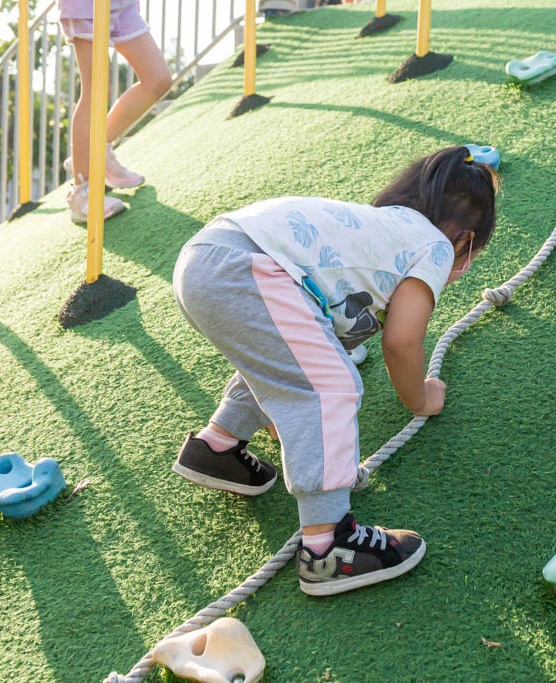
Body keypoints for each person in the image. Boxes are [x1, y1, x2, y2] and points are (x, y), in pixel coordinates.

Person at [171, 146, 498, 596]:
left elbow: (294, 358)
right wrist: (421, 398)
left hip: (207, 256)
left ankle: (218, 446)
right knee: (329, 386)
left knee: (291, 365)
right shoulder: (435, 245)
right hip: (245, 266)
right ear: (466, 240)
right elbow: (402, 340)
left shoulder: (379, 229)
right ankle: (328, 548)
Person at [58, 0, 173, 223]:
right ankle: (82, 192)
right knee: (96, 88)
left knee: (157, 79)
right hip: (86, 5)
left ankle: (98, 148)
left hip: (123, 5)